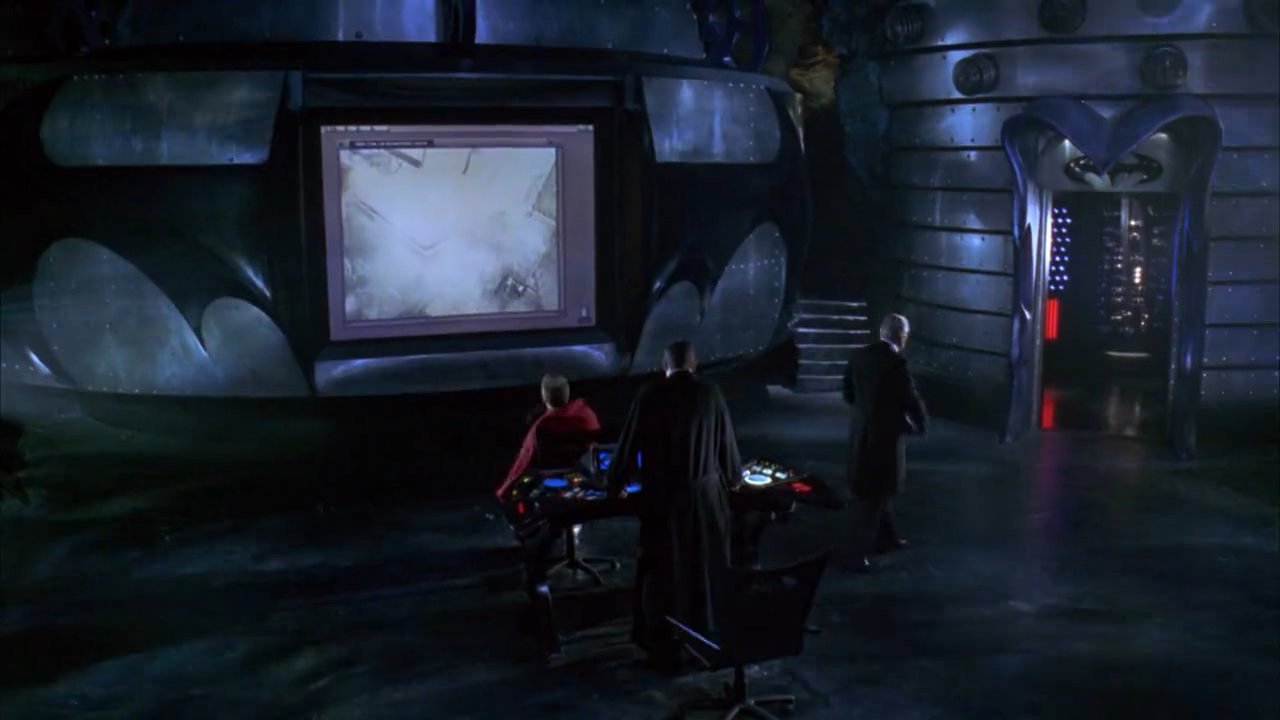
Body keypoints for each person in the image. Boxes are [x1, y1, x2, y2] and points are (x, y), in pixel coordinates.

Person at [608, 340, 743, 669]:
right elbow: (726, 444)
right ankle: (705, 633)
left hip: (662, 500)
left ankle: (662, 641)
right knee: (703, 567)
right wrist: (734, 479)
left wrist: (615, 483)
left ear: (663, 366)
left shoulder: (650, 395)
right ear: (694, 365)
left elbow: (628, 444)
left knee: (664, 570)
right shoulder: (711, 393)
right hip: (705, 500)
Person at [841, 313, 928, 572]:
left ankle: (885, 538)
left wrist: (866, 412)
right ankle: (861, 554)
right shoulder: (896, 363)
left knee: (873, 492)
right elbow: (910, 398)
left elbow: (848, 393)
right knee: (877, 495)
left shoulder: (858, 357)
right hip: (885, 438)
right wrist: (920, 424)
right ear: (900, 336)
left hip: (861, 434)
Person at [494, 374, 600, 500]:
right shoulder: (588, 415)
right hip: (587, 483)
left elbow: (523, 463)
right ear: (567, 393)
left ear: (543, 396)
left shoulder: (541, 426)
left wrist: (503, 491)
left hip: (548, 487)